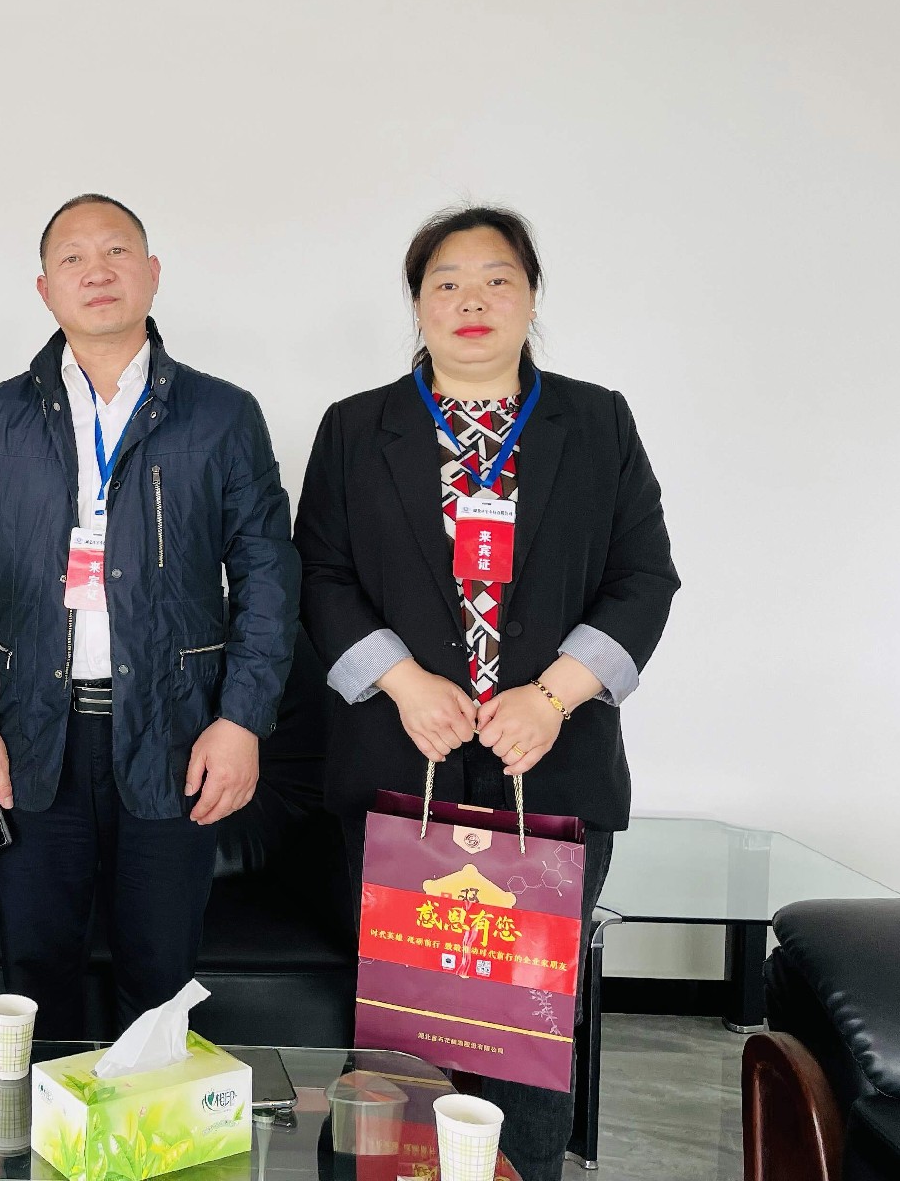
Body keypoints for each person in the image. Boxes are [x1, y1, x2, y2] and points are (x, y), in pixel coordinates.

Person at [292, 205, 679, 1181]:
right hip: (401, 769)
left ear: (532, 297)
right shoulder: (356, 428)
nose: (473, 299)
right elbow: (320, 576)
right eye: (448, 282)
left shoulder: (597, 421)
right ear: (418, 305)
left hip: (552, 772)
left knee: (525, 1044)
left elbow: (644, 578)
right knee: (399, 1043)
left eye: (497, 278)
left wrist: (552, 697)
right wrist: (404, 683)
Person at [0, 194, 299, 1037]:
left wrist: (241, 721)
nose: (96, 271)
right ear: (44, 288)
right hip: (31, 733)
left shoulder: (221, 414)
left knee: (160, 978)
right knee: (32, 979)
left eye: (117, 252)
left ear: (153, 273)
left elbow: (267, 577)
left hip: (176, 732)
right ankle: (33, 1124)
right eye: (72, 258)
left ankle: (150, 1126)